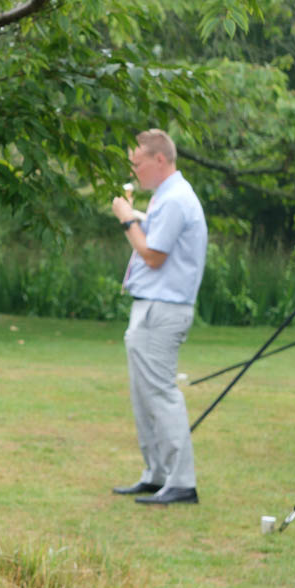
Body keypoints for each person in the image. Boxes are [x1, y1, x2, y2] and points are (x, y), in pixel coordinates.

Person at [108, 128, 207, 506]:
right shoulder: (165, 197)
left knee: (161, 394)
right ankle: (157, 474)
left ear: (159, 159)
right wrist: (136, 215)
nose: (134, 171)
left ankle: (181, 481)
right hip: (150, 306)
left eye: (138, 163)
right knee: (143, 396)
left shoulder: (177, 199)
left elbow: (153, 255)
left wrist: (125, 219)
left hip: (163, 310)